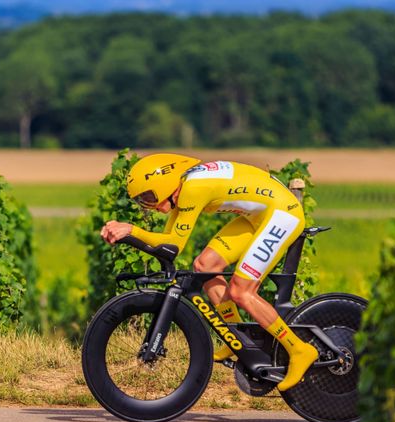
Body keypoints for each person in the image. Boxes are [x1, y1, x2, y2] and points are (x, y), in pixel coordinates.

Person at [99, 153, 318, 391]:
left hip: (282, 214)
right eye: (141, 201)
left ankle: (299, 349)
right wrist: (129, 234)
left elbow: (174, 245)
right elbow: (165, 244)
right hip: (260, 214)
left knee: (241, 291)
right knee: (205, 267)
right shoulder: (180, 190)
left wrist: (130, 230)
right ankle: (239, 342)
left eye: (148, 196)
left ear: (165, 183)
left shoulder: (193, 190)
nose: (148, 205)